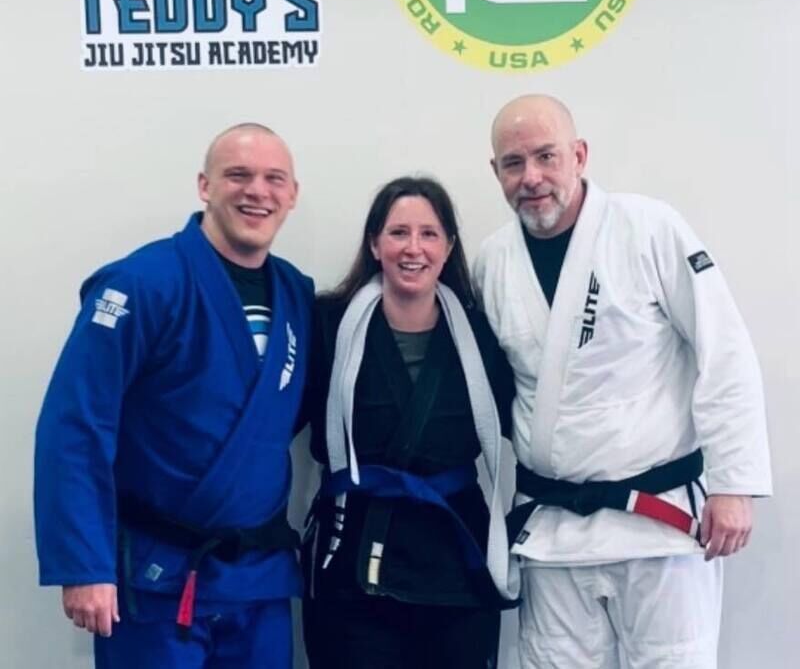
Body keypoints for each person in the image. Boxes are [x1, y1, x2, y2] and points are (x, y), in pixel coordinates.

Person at [473, 94, 772, 669]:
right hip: (554, 531)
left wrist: (734, 484)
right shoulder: (494, 260)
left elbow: (725, 352)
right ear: (496, 172)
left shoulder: (649, 229)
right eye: (513, 163)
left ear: (579, 155)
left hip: (657, 523)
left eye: (546, 156)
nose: (531, 177)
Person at [34, 123, 313, 669]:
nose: (258, 191)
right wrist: (85, 566)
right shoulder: (142, 282)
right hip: (158, 576)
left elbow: (283, 415)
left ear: (292, 194)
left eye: (274, 178)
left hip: (257, 582)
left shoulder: (296, 294)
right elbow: (76, 425)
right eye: (238, 175)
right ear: (205, 185)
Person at [302, 176, 518, 669]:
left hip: (455, 560)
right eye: (399, 232)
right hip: (352, 557)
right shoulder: (328, 326)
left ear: (449, 247)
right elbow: (274, 421)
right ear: (374, 244)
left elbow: (527, 424)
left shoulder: (480, 333)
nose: (413, 248)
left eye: (429, 234)